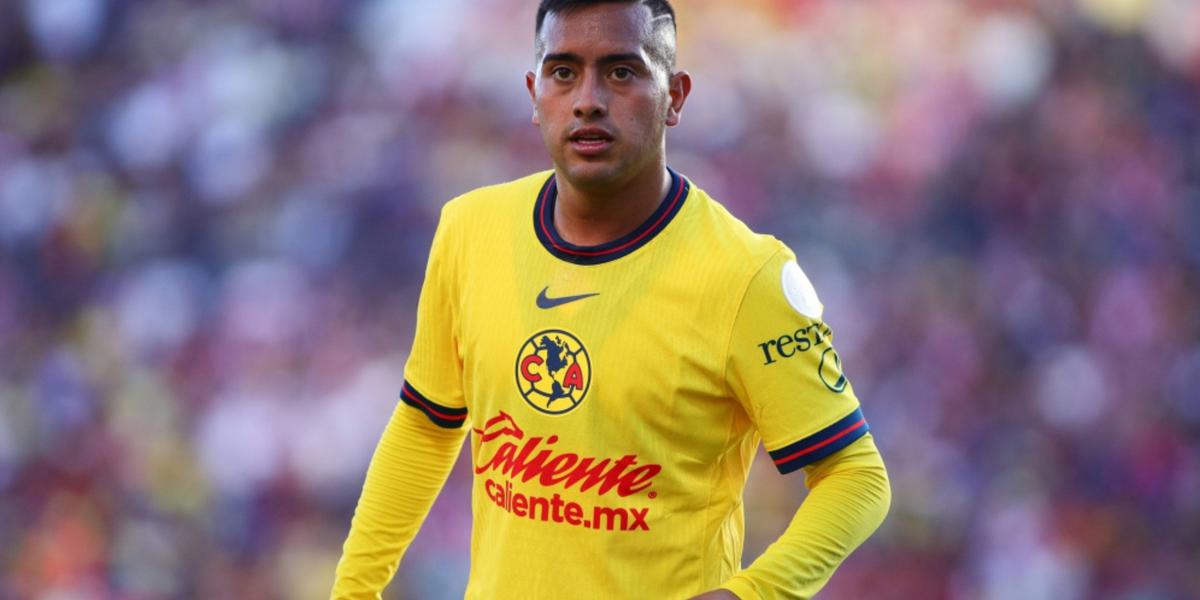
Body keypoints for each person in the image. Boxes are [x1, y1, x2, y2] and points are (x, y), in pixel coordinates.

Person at [331, 1, 891, 598]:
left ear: (675, 96)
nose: (588, 99)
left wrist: (753, 593)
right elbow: (426, 423)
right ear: (533, 91)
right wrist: (355, 589)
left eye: (622, 72)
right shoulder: (470, 230)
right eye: (563, 71)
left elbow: (855, 477)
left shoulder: (746, 275)